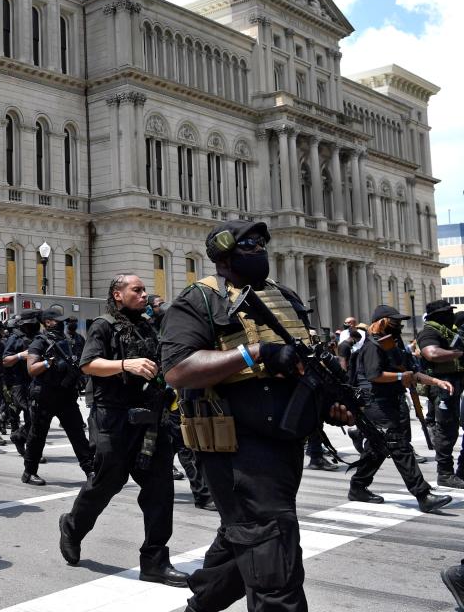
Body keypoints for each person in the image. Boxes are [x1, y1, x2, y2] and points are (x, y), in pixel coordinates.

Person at [160, 220, 354, 612]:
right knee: (274, 564)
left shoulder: (283, 297)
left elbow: (305, 363)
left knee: (247, 541)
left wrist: (329, 404)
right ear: (226, 254)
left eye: (262, 243)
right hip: (237, 450)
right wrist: (256, 353)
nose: (260, 250)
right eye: (249, 244)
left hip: (284, 446)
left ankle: (200, 604)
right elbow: (178, 368)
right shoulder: (200, 300)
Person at [59, 274, 186, 587]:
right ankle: (73, 527)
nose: (144, 295)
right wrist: (125, 364)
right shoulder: (103, 325)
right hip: (112, 417)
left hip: (149, 418)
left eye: (144, 290)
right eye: (137, 290)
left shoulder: (146, 326)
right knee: (107, 481)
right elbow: (88, 364)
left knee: (160, 487)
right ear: (118, 294)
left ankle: (155, 561)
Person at [348, 305, 454, 512]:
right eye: (394, 321)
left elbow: (411, 372)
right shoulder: (372, 345)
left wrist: (436, 381)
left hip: (390, 401)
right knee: (399, 445)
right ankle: (423, 494)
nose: (398, 325)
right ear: (381, 322)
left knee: (378, 448)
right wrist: (399, 377)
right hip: (375, 403)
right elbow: (373, 375)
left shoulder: (392, 344)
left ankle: (358, 486)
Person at [21, 308, 93, 485]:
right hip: (44, 395)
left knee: (77, 433)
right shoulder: (39, 342)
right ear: (48, 322)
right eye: (58, 320)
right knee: (38, 436)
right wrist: (48, 362)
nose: (62, 323)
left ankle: (90, 470)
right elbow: (31, 369)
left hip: (66, 395)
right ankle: (29, 472)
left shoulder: (68, 341)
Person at [416, 299, 464, 488]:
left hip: (453, 384)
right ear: (437, 315)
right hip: (441, 386)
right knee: (446, 430)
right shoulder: (429, 332)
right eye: (447, 312)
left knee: (451, 429)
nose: (451, 315)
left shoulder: (448, 331)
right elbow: (431, 354)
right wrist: (458, 353)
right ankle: (444, 473)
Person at [4, 310, 41, 456]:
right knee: (29, 414)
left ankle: (21, 438)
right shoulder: (15, 338)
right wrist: (20, 355)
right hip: (20, 382)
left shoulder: (39, 337)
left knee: (36, 416)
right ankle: (24, 442)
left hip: (37, 382)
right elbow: (5, 361)